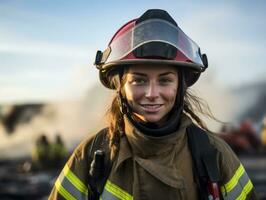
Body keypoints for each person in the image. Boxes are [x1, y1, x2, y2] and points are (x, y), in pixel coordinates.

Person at [49, 9, 256, 200]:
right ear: (121, 87)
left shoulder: (215, 155)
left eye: (165, 80)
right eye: (138, 80)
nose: (151, 94)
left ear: (180, 86)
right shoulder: (91, 155)